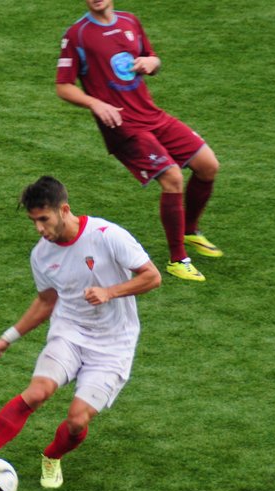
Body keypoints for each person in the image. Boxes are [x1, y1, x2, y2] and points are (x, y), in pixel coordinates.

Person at [0, 176, 160, 489]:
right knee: (36, 393)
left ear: (64, 210)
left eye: (44, 219)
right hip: (69, 332)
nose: (39, 228)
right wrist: (6, 339)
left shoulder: (107, 235)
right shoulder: (41, 255)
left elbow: (152, 276)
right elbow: (46, 302)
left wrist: (110, 292)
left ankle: (52, 456)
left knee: (77, 420)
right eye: (33, 221)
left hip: (114, 344)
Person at [55, 0, 222, 282]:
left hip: (152, 115)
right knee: (172, 178)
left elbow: (151, 58)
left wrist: (152, 63)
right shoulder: (77, 35)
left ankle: (189, 231)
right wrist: (95, 103)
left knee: (208, 165)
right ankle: (178, 260)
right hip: (122, 125)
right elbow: (63, 86)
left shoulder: (130, 21)